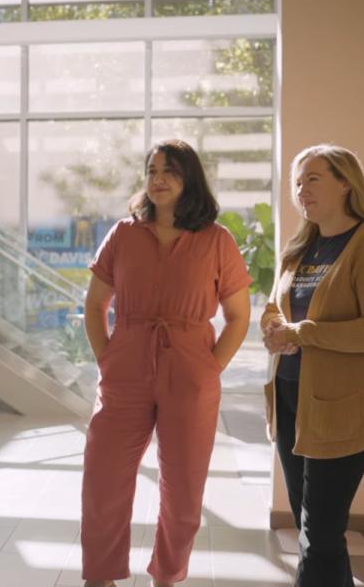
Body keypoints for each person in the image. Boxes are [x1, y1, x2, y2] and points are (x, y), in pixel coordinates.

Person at [81, 140, 252, 587]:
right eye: (152, 170)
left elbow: (238, 317)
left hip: (191, 368)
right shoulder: (123, 233)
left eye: (169, 171)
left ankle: (168, 576)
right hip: (127, 366)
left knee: (184, 489)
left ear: (189, 179)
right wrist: (109, 360)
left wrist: (209, 368)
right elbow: (95, 306)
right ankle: (99, 576)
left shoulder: (217, 240)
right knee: (104, 478)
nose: (157, 179)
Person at [262, 144, 364, 587]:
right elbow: (274, 306)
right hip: (292, 400)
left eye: (313, 178)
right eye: (297, 180)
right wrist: (272, 328)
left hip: (343, 409)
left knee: (321, 531)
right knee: (314, 531)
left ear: (346, 183)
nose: (300, 189)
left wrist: (302, 333)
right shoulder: (300, 247)